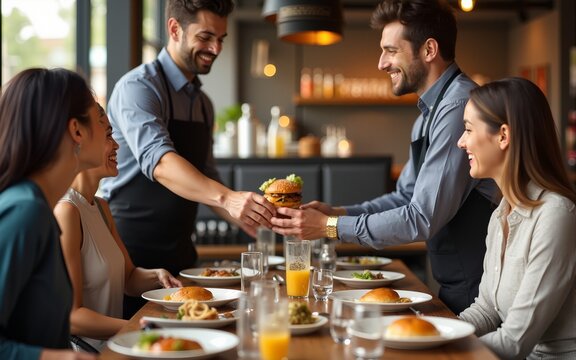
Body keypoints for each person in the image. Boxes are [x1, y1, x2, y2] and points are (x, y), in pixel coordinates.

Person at [271, 0, 498, 314]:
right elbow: (406, 196)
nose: (381, 63)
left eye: (391, 50)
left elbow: (421, 217)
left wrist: (330, 226)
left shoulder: (458, 105)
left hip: (482, 290)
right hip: (457, 281)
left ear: (429, 50)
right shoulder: (427, 114)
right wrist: (335, 212)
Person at [99, 0, 276, 317]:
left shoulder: (203, 104)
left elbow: (205, 173)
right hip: (132, 259)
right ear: (174, 29)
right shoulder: (139, 88)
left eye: (221, 39)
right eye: (206, 36)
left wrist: (255, 219)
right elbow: (161, 163)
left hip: (183, 256)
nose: (216, 48)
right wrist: (229, 198)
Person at [457, 78, 576, 359]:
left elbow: (514, 342)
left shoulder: (556, 215)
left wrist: (442, 351)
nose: (460, 142)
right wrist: (430, 332)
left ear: (503, 136)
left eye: (468, 129)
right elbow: (485, 310)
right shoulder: (501, 213)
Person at [53, 105, 183, 351]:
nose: (117, 145)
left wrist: (157, 275)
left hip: (114, 348)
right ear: (79, 141)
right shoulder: (67, 211)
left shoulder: (101, 207)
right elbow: (72, 317)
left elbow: (129, 279)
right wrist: (136, 326)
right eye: (108, 135)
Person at [0, 68, 105, 360]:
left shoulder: (38, 208)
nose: (111, 136)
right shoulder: (25, 212)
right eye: (99, 121)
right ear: (76, 130)